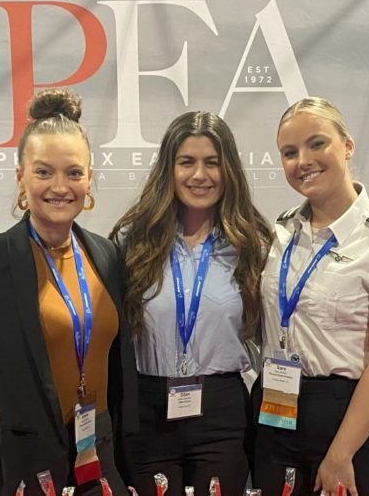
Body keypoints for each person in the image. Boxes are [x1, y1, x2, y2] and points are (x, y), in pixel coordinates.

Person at [0, 89, 137, 495]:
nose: (60, 186)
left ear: (89, 178)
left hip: (97, 450)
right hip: (27, 458)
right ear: (21, 177)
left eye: (73, 172)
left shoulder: (105, 255)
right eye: (43, 172)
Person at [253, 97, 369, 496]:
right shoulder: (281, 232)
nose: (303, 161)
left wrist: (341, 452)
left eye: (317, 144)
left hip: (347, 416)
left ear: (347, 146)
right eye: (289, 152)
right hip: (276, 410)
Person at [110, 111, 272, 496]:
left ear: (228, 169)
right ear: (168, 168)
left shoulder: (252, 243)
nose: (200, 175)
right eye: (187, 162)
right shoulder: (132, 241)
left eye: (212, 162)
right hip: (148, 409)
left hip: (222, 412)